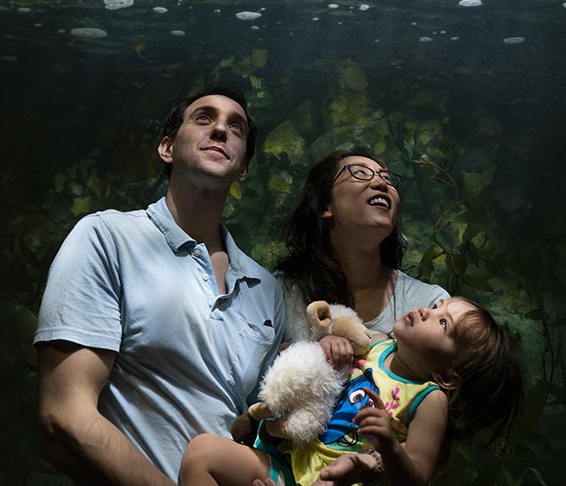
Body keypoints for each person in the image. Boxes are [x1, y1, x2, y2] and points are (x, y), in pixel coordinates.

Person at [33, 85, 286, 484]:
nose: (221, 129)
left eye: (236, 127)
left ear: (244, 169)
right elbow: (64, 416)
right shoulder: (106, 238)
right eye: (204, 118)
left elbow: (260, 430)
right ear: (167, 148)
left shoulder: (266, 290)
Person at [179, 296, 524, 486]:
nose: (427, 311)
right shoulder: (375, 343)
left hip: (338, 482)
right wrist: (328, 341)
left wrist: (389, 445)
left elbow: (418, 474)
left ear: (447, 376)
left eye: (443, 323)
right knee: (201, 453)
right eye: (437, 307)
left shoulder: (429, 399)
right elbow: (308, 356)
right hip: (287, 461)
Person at [276, 149, 451, 369]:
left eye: (387, 178)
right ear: (324, 206)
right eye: (359, 173)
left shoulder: (430, 305)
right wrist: (313, 353)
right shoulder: (279, 293)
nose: (381, 183)